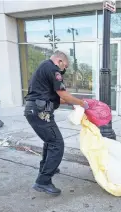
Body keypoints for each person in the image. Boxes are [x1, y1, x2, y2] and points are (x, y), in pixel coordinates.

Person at [24, 51, 89, 196]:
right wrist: (82, 104)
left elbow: (56, 98)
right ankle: (43, 181)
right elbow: (64, 94)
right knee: (57, 144)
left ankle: (47, 168)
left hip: (36, 109)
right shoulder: (53, 69)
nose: (63, 70)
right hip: (40, 111)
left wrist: (74, 104)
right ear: (59, 61)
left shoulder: (43, 67)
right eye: (64, 66)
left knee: (49, 141)